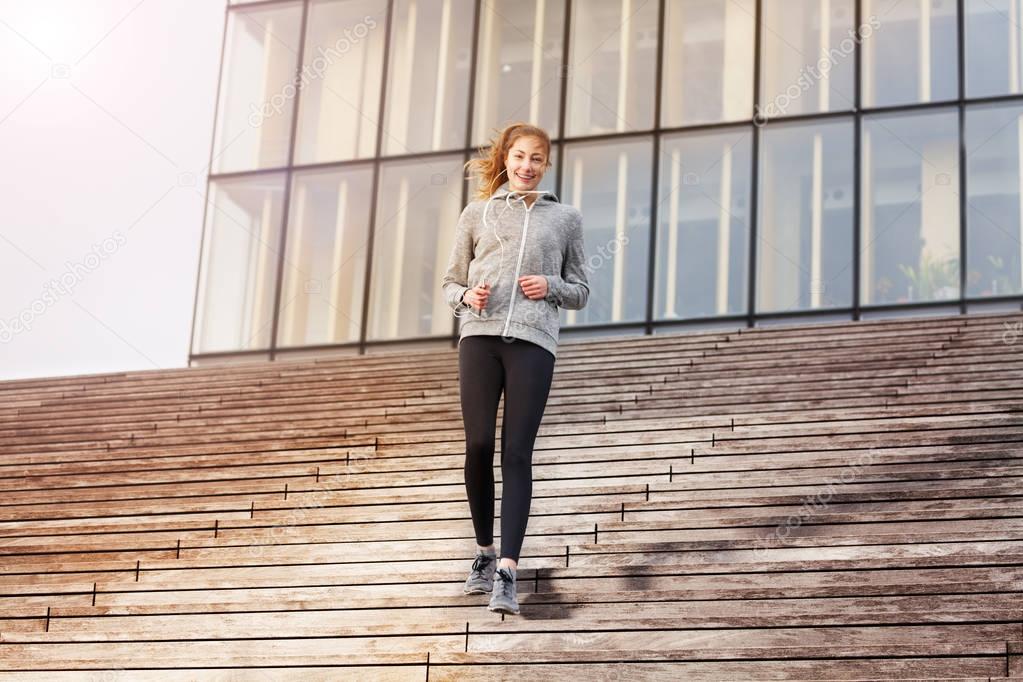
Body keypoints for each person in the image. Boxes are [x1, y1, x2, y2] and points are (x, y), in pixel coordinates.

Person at [440, 121, 590, 615]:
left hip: (534, 343)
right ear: (506, 158)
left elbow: (581, 291)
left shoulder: (564, 218)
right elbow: (449, 282)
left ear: (547, 165)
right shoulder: (476, 213)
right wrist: (466, 295)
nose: (528, 167)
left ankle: (507, 569)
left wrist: (550, 286)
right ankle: (483, 552)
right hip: (479, 338)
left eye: (538, 159)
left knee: (517, 453)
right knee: (479, 444)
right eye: (521, 157)